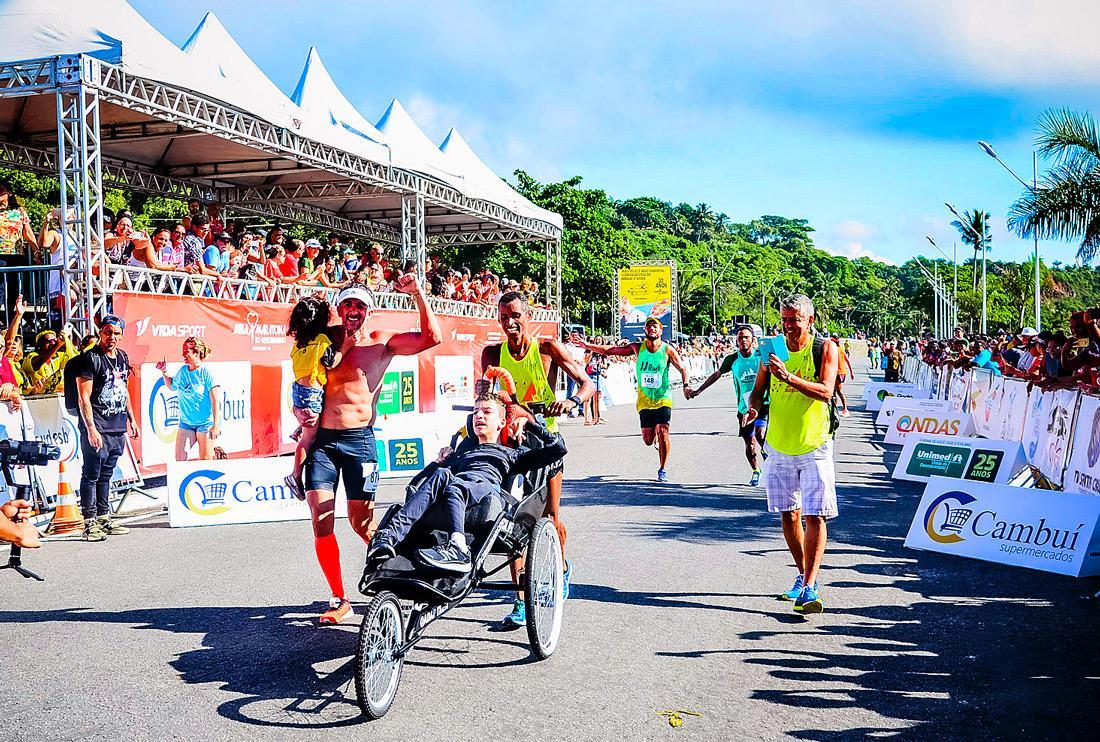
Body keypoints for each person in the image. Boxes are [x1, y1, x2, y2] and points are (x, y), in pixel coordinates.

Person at [302, 278, 441, 624]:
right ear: (339, 307)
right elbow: (302, 374)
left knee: (361, 523)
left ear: (369, 310)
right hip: (323, 444)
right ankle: (339, 598)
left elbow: (432, 338)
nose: (353, 311)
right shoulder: (325, 338)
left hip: (359, 441)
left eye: (360, 306)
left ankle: (403, 580)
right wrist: (301, 417)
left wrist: (419, 294)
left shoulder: (382, 344)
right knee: (321, 519)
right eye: (347, 304)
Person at [483, 291, 594, 628]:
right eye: (503, 317)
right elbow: (484, 395)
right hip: (513, 443)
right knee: (513, 519)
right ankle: (520, 600)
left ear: (527, 315)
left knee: (550, 515)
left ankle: (560, 569)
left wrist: (572, 402)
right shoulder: (492, 353)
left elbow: (587, 384)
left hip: (545, 441)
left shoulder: (546, 349)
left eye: (515, 315)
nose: (510, 322)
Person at [368, 389, 568, 572]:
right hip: (454, 495)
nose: (479, 415)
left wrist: (529, 423)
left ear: (501, 423)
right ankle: (388, 537)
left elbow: (558, 449)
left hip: (486, 496)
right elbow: (418, 484)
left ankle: (458, 548)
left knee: (455, 485)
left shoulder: (511, 454)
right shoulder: (462, 452)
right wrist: (437, 463)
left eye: (487, 412)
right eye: (476, 412)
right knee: (442, 475)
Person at [747, 294, 838, 615]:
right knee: (789, 513)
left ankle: (811, 586)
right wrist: (753, 409)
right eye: (784, 320)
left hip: (815, 444)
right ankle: (802, 576)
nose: (788, 326)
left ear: (810, 320)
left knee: (815, 514)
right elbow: (758, 391)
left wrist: (788, 377)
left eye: (794, 320)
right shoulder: (771, 350)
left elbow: (826, 391)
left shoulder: (825, 348)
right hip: (780, 445)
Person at [571, 317, 692, 483]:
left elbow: (683, 368)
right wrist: (586, 345)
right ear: (645, 330)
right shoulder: (637, 348)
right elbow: (609, 350)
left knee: (664, 431)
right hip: (644, 400)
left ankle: (662, 469)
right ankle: (654, 435)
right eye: (649, 326)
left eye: (655, 326)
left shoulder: (667, 350)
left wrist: (686, 385)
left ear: (661, 331)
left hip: (663, 398)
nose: (652, 329)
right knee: (648, 440)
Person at [73, 315, 139, 542]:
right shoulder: (89, 359)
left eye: (116, 333)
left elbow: (123, 389)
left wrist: (132, 418)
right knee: (91, 473)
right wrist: (91, 428)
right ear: (101, 332)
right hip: (97, 424)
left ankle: (104, 518)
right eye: (108, 332)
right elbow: (84, 397)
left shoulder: (122, 357)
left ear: (121, 335)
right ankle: (89, 523)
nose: (112, 337)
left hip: (117, 425)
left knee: (106, 474)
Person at [689, 325, 767, 486]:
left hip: (763, 403)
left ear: (753, 339)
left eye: (746, 337)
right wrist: (699, 390)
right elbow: (717, 374)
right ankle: (756, 471)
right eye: (739, 338)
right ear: (736, 341)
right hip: (743, 407)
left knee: (760, 434)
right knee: (749, 443)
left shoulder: (760, 355)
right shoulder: (732, 359)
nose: (743, 340)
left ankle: (768, 453)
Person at [284, 297, 342, 499]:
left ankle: (300, 427)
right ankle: (295, 476)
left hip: (299, 390)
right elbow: (331, 362)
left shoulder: (298, 344)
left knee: (308, 428)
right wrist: (346, 347)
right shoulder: (322, 341)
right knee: (308, 440)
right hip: (312, 393)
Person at [155, 337, 221, 461]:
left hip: (205, 423)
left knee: (205, 460)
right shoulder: (183, 371)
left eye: (186, 352)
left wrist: (216, 425)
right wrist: (164, 371)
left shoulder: (207, 372)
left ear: (196, 353)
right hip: (186, 423)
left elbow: (215, 400)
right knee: (180, 458)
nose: (182, 355)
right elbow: (171, 386)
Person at [833, 335, 855, 416]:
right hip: (839, 372)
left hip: (838, 372)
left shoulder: (836, 350)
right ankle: (834, 408)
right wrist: (851, 372)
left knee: (839, 391)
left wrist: (851, 372)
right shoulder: (840, 349)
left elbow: (847, 361)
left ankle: (845, 409)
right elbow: (847, 361)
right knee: (834, 391)